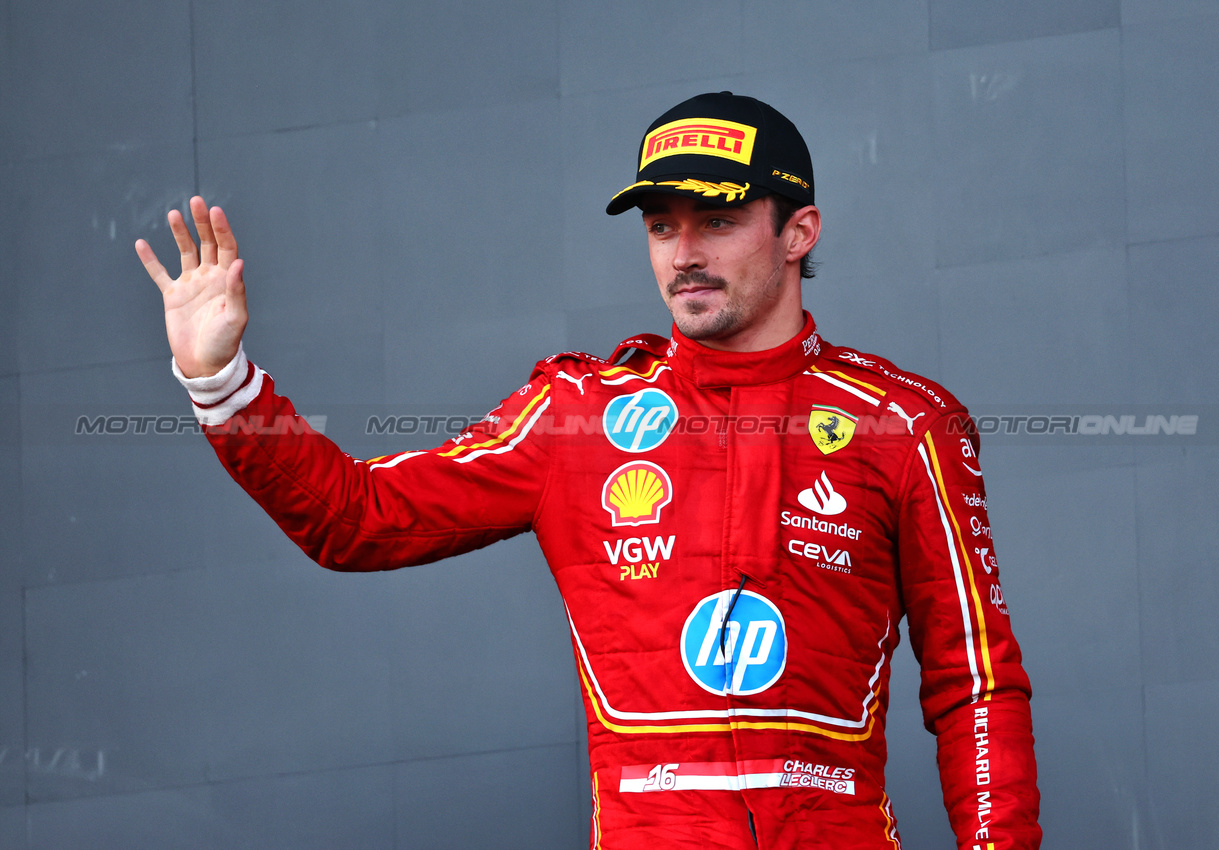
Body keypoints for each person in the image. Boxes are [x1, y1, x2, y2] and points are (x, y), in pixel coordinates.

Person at [137, 92, 1040, 849]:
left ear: (798, 229)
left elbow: (976, 684)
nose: (683, 252)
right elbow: (357, 518)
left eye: (718, 221)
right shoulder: (576, 416)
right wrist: (221, 381)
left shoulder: (905, 423)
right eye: (660, 227)